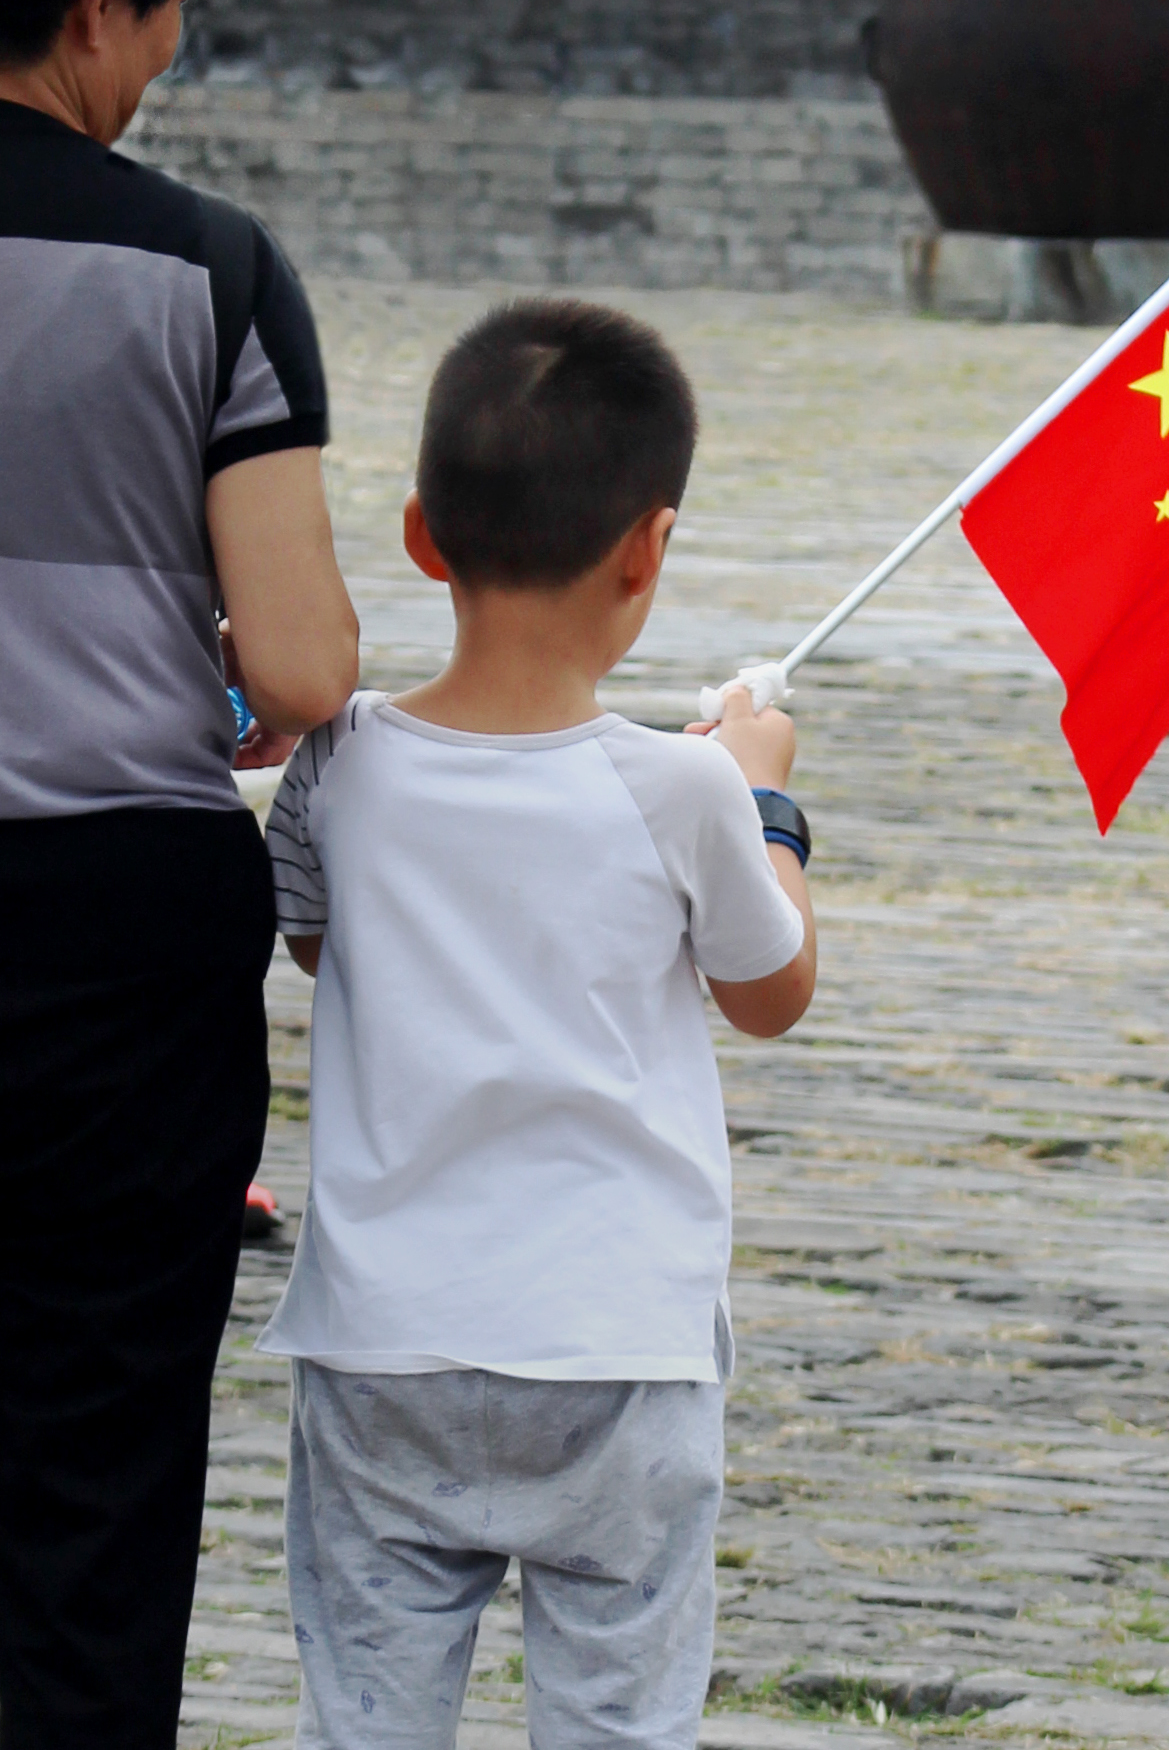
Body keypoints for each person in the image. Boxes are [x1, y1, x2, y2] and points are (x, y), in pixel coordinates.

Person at [259, 297, 816, 1750]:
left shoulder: (346, 760)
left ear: (421, 533)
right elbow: (773, 989)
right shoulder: (683, 791)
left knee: (366, 1719)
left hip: (385, 1341)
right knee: (620, 1718)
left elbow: (319, 941)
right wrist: (765, 797)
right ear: (649, 546)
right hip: (616, 1345)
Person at [0, 0, 360, 1750]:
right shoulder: (209, 268)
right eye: (167, 11)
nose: (166, 55)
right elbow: (300, 665)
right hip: (113, 950)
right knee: (93, 1467)